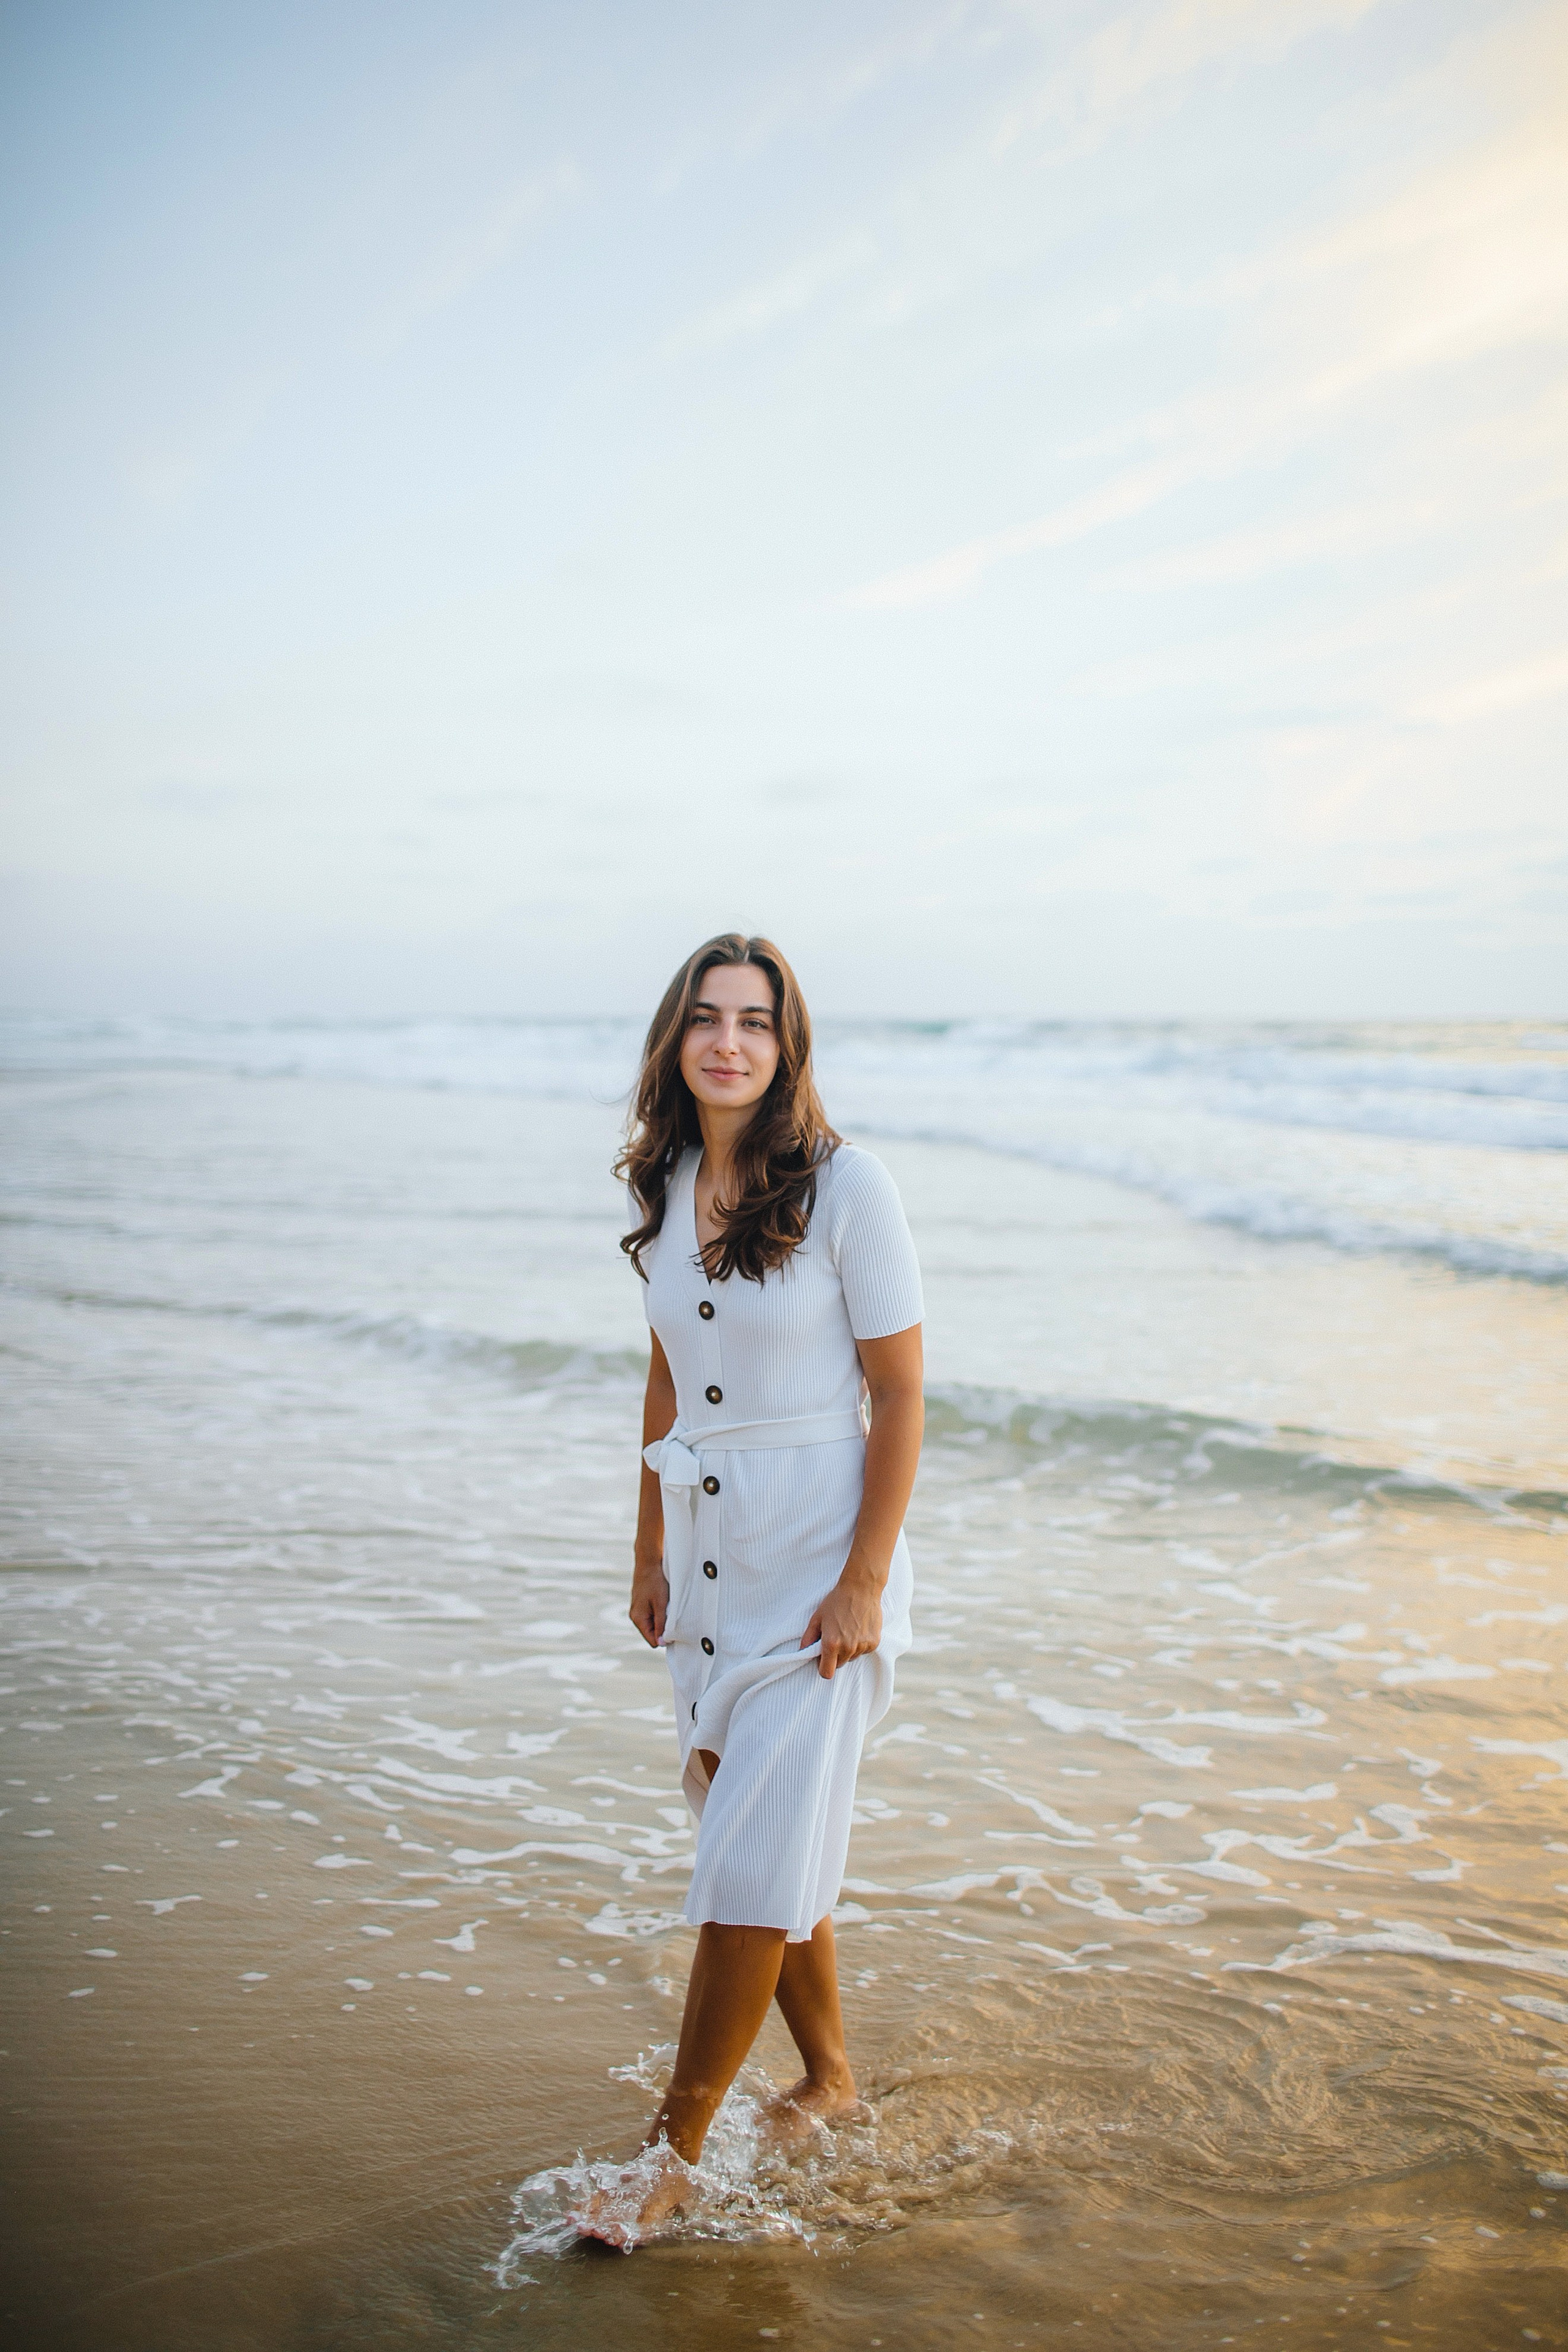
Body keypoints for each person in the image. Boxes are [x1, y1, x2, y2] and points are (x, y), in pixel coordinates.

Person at [579, 932, 924, 2247]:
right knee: (765, 1842)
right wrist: (646, 1549)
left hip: (817, 1565)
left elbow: (897, 1399)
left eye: (757, 1022)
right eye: (707, 1019)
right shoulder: (666, 1182)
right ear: (676, 1040)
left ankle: (671, 2152)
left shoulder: (847, 1187)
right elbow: (666, 1375)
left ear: (788, 1047)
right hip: (707, 1560)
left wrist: (863, 1584)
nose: (730, 1041)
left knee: (743, 1871)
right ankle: (829, 2080)